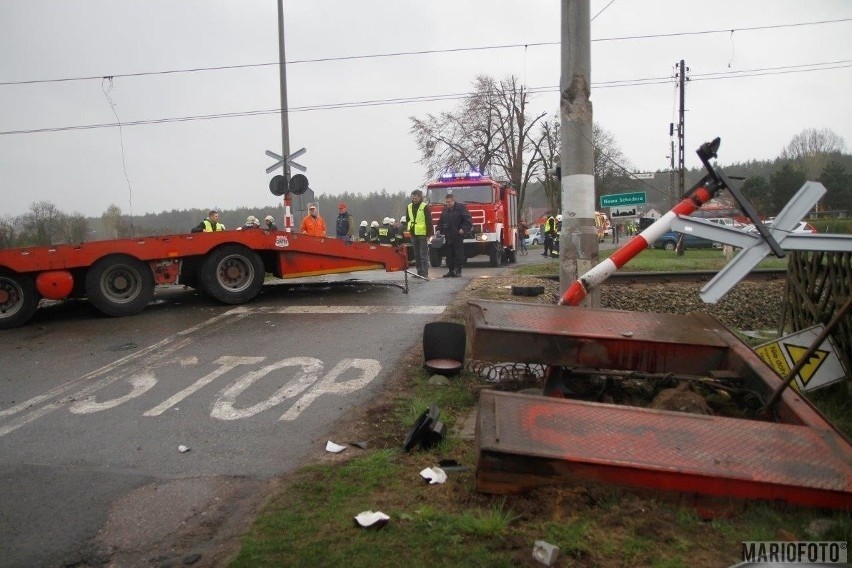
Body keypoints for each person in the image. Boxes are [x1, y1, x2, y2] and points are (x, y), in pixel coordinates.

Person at [438, 191, 472, 277]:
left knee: (458, 254)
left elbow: (468, 220)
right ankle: (450, 270)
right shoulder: (445, 210)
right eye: (446, 202)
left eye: (449, 202)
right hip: (448, 235)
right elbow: (441, 221)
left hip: (458, 235)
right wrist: (439, 230)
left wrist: (463, 229)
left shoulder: (461, 208)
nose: (447, 204)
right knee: (449, 254)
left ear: (453, 201)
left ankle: (458, 270)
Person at [406, 189, 432, 278]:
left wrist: (429, 234)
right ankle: (419, 272)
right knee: (416, 254)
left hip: (422, 234)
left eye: (416, 198)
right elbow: (408, 219)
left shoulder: (424, 206)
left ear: (420, 197)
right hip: (413, 233)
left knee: (423, 254)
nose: (414, 199)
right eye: (413, 197)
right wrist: (409, 229)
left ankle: (425, 273)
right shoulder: (409, 206)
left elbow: (429, 221)